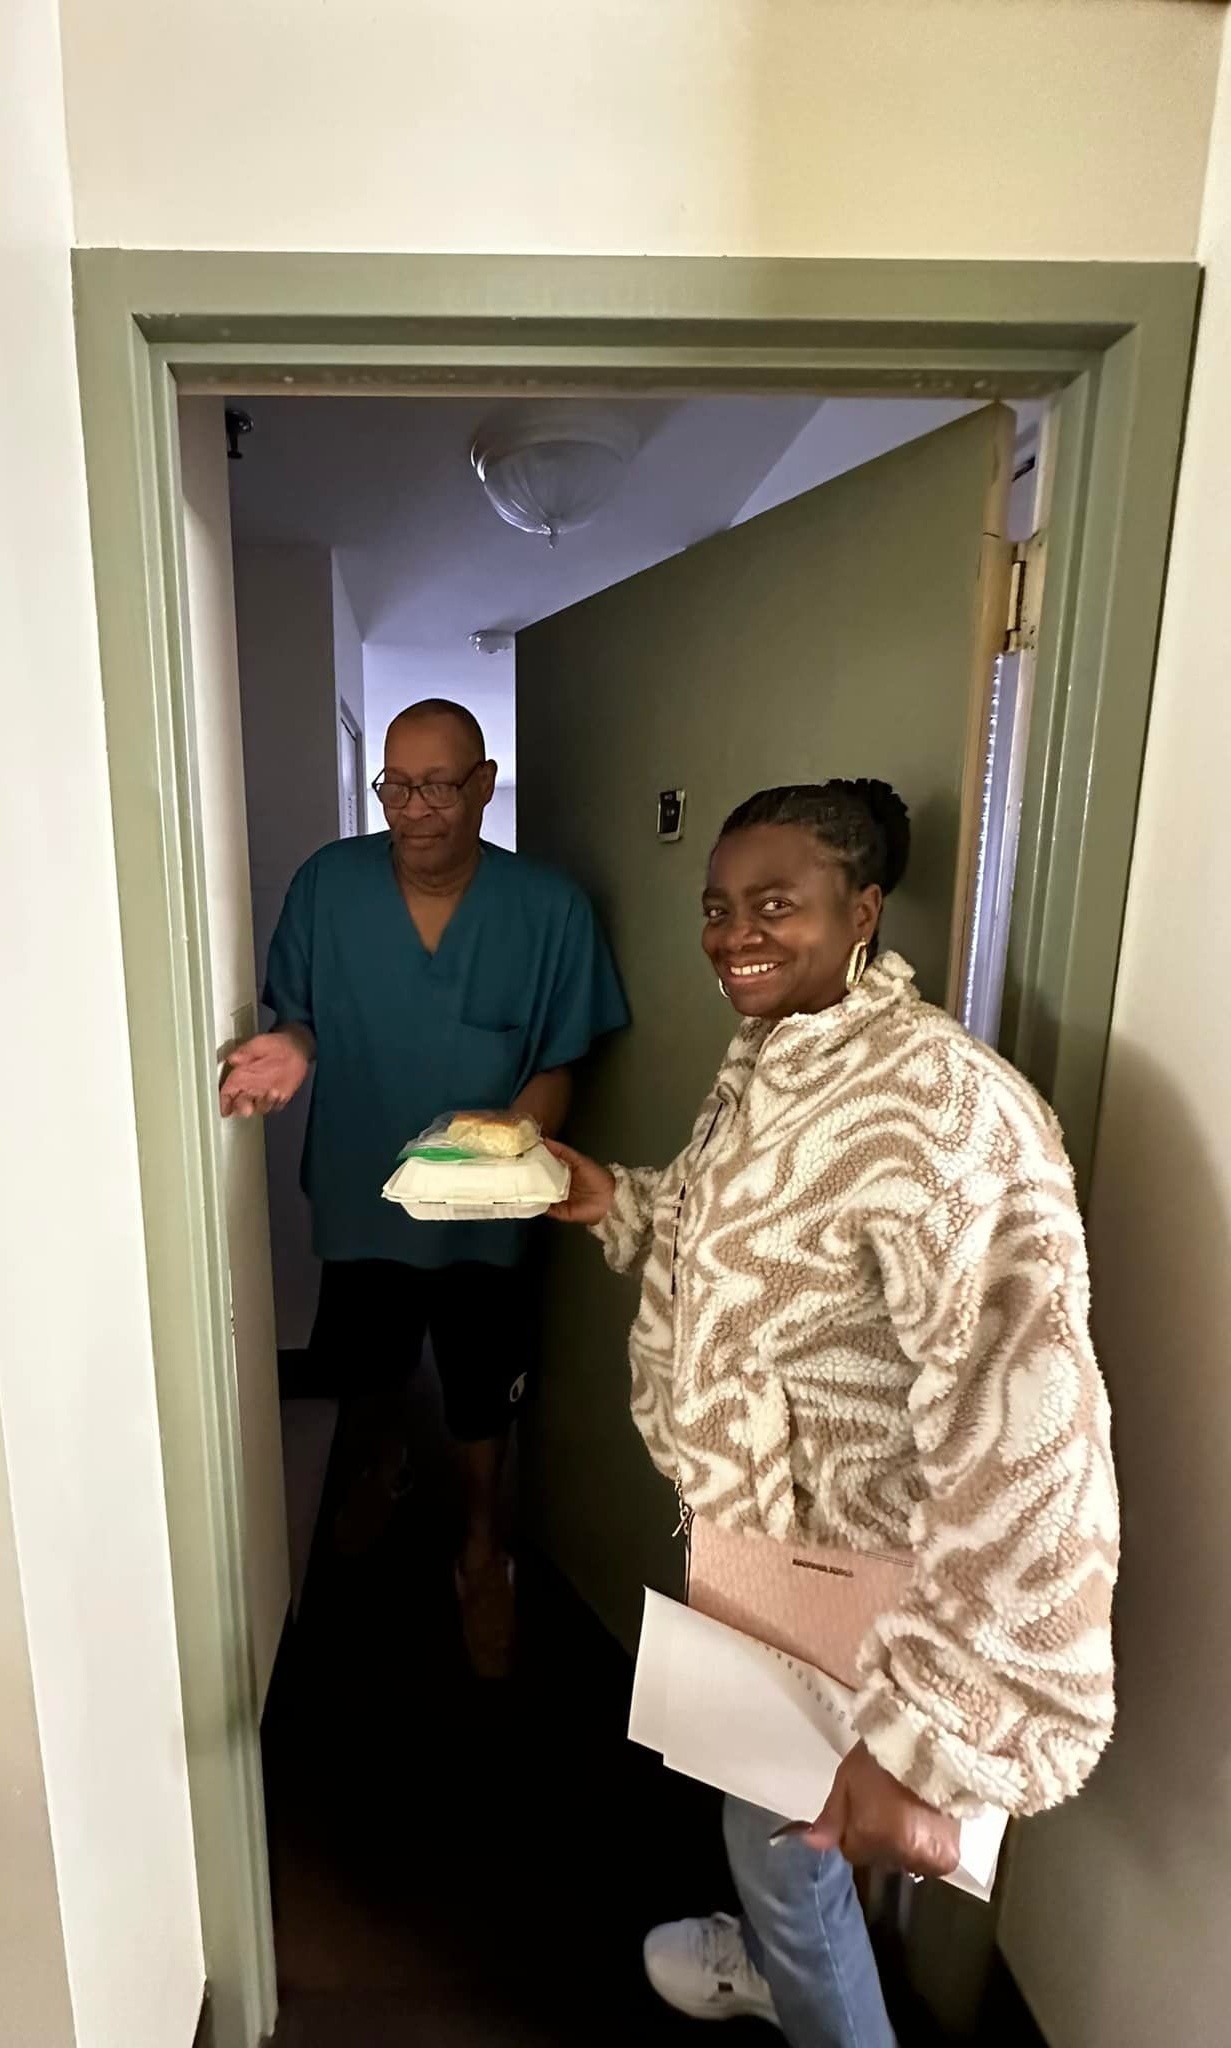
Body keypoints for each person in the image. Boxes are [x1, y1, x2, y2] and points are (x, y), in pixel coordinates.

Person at [547, 779, 1117, 2043]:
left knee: (783, 1851)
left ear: (862, 911)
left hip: (869, 1579)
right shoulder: (776, 1060)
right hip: (768, 1548)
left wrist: (934, 1732)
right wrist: (611, 1201)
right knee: (765, 1814)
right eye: (717, 907)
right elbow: (746, 1240)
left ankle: (813, 1996)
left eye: (774, 904)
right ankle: (774, 1955)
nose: (733, 934)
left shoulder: (945, 1108)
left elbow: (1033, 1439)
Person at [220, 698, 628, 1678]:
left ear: (483, 786)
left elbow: (562, 1058)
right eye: (394, 786)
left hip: (487, 1203)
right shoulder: (329, 885)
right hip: (363, 1183)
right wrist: (290, 1047)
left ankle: (483, 1547)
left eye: (438, 786)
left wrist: (509, 1142)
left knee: (482, 1390)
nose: (413, 809)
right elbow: (303, 1014)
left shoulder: (548, 910)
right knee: (369, 1364)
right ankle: (381, 1465)